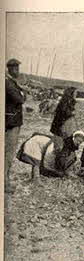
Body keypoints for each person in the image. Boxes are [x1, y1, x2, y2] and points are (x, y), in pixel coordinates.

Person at [17, 130, 84, 184]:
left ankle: (36, 177)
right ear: (74, 138)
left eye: (80, 142)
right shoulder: (63, 146)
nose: (78, 143)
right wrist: (59, 171)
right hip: (36, 143)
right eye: (78, 140)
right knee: (36, 162)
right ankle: (36, 179)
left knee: (37, 162)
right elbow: (54, 159)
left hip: (44, 147)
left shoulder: (71, 148)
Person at [5, 58, 26, 194]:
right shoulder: (9, 83)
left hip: (13, 121)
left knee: (9, 152)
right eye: (15, 68)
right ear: (9, 69)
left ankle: (5, 181)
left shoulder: (12, 83)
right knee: (8, 152)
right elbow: (20, 99)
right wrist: (22, 93)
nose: (17, 71)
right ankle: (4, 184)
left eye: (18, 68)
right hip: (11, 122)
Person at [50, 87, 79, 154]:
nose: (76, 94)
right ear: (71, 93)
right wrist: (72, 113)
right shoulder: (66, 102)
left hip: (62, 128)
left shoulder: (67, 101)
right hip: (61, 128)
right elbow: (64, 113)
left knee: (61, 147)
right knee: (59, 148)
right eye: (75, 93)